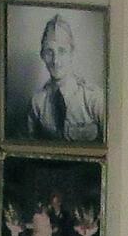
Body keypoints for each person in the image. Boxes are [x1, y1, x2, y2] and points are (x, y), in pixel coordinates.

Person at [25, 13, 105, 144]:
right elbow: (28, 150)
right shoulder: (37, 103)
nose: (55, 60)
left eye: (62, 51)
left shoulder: (94, 99)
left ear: (72, 53)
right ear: (42, 55)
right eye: (49, 52)